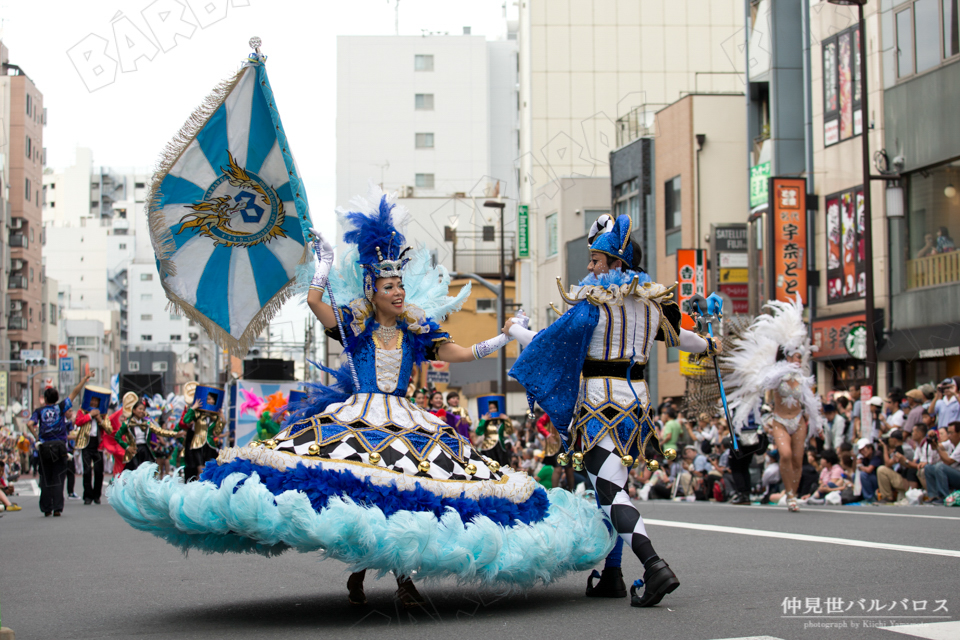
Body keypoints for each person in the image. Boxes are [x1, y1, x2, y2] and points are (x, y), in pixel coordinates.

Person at [109, 187, 612, 605]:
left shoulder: (417, 327)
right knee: (367, 491)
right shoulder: (353, 324)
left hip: (410, 420)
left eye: (400, 284)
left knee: (409, 493)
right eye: (389, 285)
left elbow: (457, 353)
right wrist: (323, 264)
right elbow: (313, 301)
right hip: (360, 416)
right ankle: (372, 572)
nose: (397, 291)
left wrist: (503, 337)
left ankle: (400, 576)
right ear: (372, 289)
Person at [509, 213, 719, 608]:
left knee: (608, 492)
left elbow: (545, 342)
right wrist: (711, 345)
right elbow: (684, 338)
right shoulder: (653, 304)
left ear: (617, 263)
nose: (589, 268)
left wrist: (513, 330)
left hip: (598, 407)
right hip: (636, 406)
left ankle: (654, 566)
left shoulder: (593, 305)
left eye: (595, 260)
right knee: (613, 488)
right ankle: (613, 575)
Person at [723, 295, 824, 512]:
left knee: (798, 459)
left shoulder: (804, 378)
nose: (797, 360)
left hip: (798, 421)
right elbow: (763, 383)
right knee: (785, 455)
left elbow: (810, 402)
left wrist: (816, 421)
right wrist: (782, 370)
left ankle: (793, 494)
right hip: (779, 420)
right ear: (786, 357)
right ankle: (789, 495)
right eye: (794, 357)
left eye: (799, 357)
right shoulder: (776, 375)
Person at [25, 376, 90, 516]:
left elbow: (30, 424)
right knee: (59, 477)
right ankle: (57, 508)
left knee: (45, 477)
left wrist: (37, 438)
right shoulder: (61, 407)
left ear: (45, 399)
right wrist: (84, 379)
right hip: (60, 446)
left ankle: (46, 508)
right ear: (56, 398)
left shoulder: (39, 411)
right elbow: (75, 392)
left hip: (44, 446)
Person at [114, 396, 184, 472]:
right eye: (140, 409)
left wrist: (175, 434)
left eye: (143, 409)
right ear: (133, 410)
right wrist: (127, 447)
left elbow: (159, 431)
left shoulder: (147, 423)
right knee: (133, 473)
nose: (142, 411)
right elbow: (117, 436)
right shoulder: (127, 424)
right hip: (134, 451)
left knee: (148, 473)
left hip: (145, 450)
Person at [923, 421, 960, 503]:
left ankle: (944, 497)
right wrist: (933, 440)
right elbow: (937, 447)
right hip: (954, 474)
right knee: (928, 467)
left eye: (951, 433)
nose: (949, 435)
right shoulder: (951, 442)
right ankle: (933, 496)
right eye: (948, 433)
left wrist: (937, 447)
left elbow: (948, 461)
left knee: (940, 466)